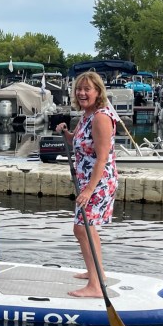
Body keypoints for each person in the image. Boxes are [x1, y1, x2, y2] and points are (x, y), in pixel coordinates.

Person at [55, 71, 119, 298]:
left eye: (87, 89)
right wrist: (66, 134)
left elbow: (102, 157)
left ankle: (95, 286)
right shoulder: (87, 115)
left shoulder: (101, 117)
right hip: (87, 180)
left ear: (98, 92)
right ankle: (97, 273)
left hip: (98, 181)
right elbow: (81, 142)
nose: (82, 93)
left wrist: (90, 189)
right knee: (87, 228)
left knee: (82, 228)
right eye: (79, 89)